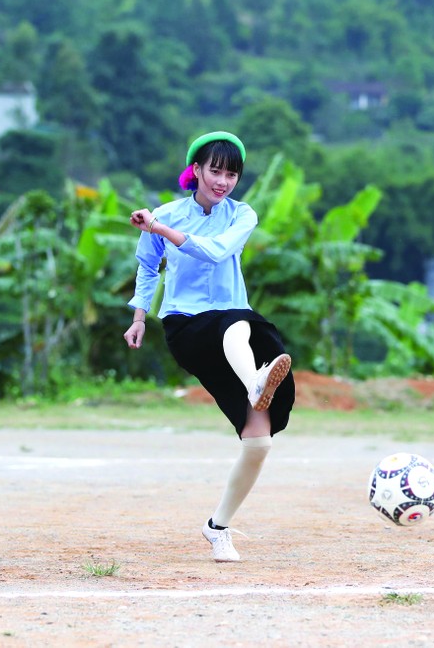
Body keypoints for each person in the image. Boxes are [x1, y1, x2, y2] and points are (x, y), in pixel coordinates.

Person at [123, 131, 295, 563]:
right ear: (195, 170)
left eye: (231, 173)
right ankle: (256, 381)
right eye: (214, 170)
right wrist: (139, 317)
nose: (222, 181)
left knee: (260, 442)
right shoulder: (164, 214)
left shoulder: (242, 215)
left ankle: (218, 528)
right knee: (233, 323)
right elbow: (147, 267)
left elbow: (217, 253)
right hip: (187, 326)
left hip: (237, 324)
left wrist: (160, 228)